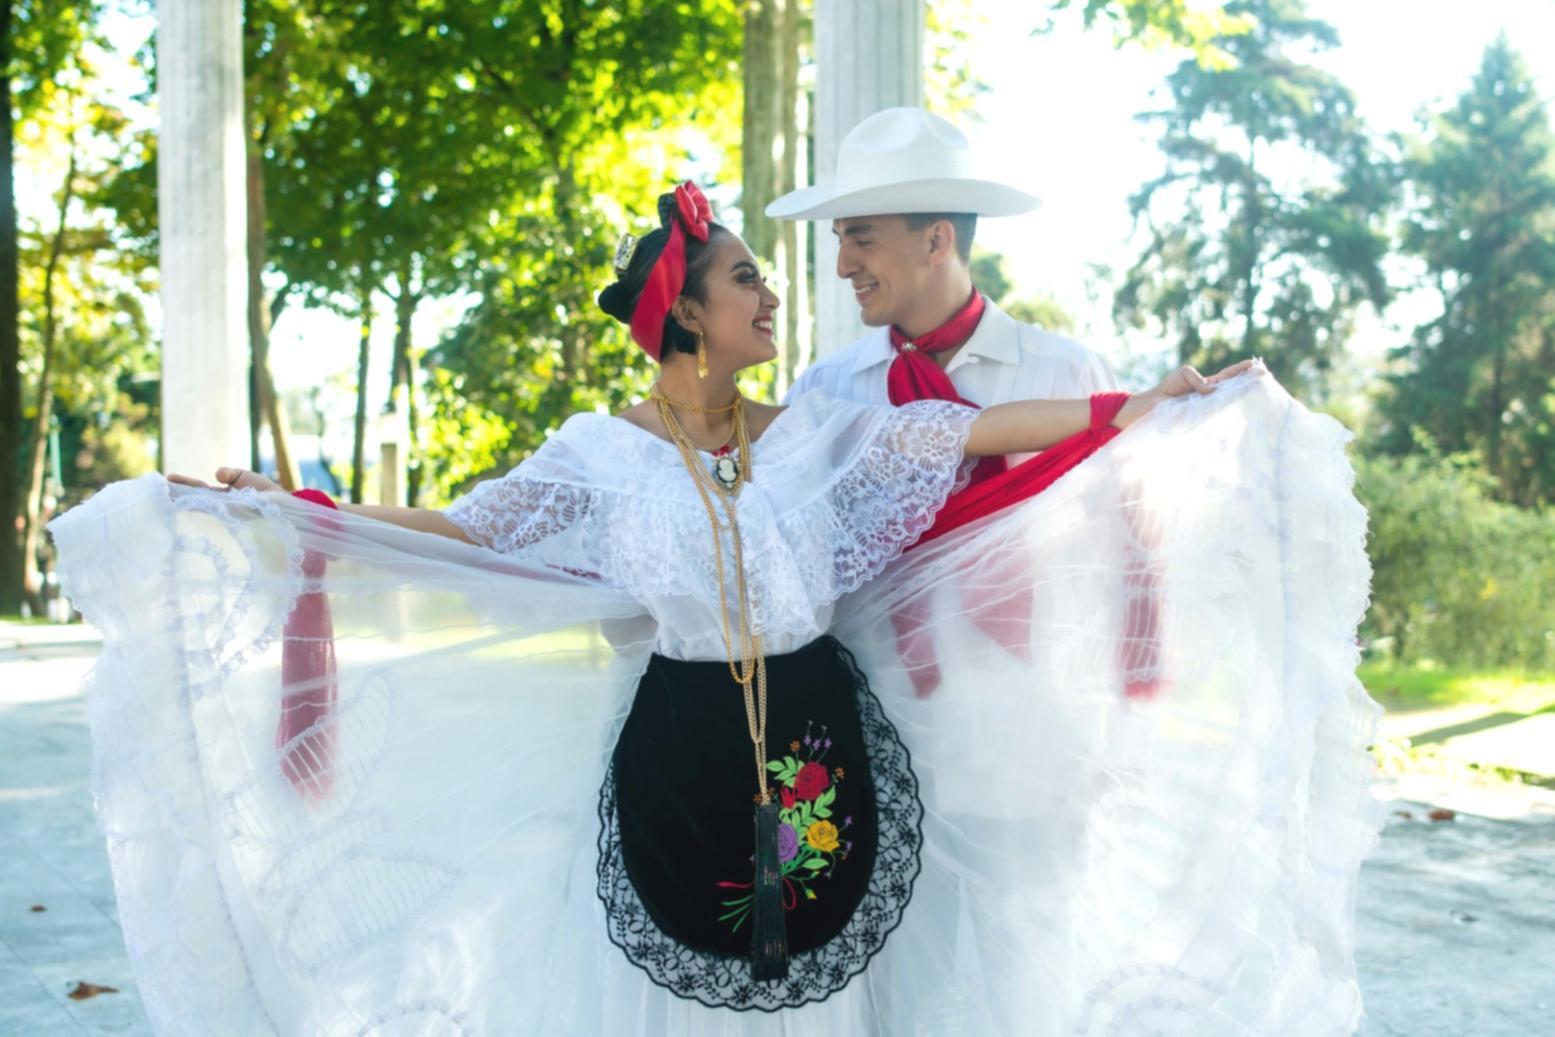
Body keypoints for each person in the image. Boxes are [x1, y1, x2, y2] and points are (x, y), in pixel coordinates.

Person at [48, 182, 1378, 1036]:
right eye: (746, 279)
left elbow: (977, 432)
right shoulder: (601, 454)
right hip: (677, 745)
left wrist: (1129, 405)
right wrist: (288, 509)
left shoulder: (817, 433)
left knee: (827, 983)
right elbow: (466, 525)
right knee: (681, 987)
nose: (771, 294)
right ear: (687, 311)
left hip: (818, 739)